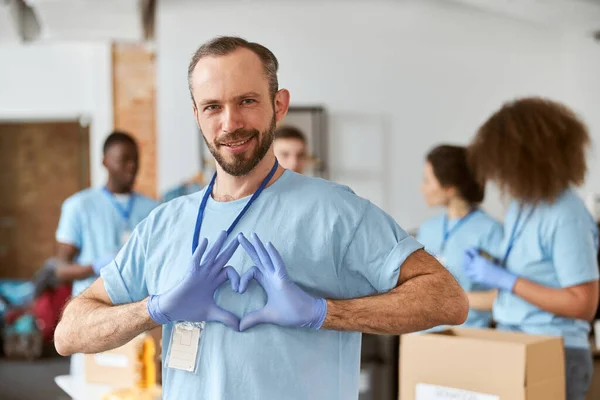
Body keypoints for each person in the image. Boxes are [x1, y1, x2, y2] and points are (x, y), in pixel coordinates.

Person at [54, 36, 468, 400]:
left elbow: (447, 299)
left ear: (279, 104)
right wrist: (157, 308)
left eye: (246, 101)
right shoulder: (163, 224)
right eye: (212, 106)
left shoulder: (336, 212)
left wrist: (323, 313)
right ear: (197, 115)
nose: (230, 122)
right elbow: (69, 333)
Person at [464, 97, 600, 400]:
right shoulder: (520, 208)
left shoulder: (567, 214)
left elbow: (582, 304)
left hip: (556, 350)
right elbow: (520, 295)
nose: (498, 175)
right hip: (512, 343)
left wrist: (507, 279)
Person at [54, 131, 158, 378]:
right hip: (94, 318)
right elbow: (60, 269)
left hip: (135, 319)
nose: (131, 166)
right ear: (105, 162)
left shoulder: (153, 209)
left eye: (135, 159)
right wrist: (96, 266)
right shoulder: (79, 206)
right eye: (123, 159)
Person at [417, 145, 503, 329]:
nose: (422, 187)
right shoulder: (427, 229)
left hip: (468, 337)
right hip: (422, 338)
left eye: (427, 181)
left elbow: (504, 297)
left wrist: (453, 298)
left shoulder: (491, 231)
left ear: (450, 188)